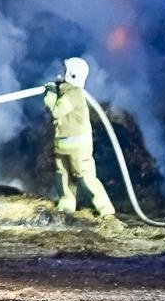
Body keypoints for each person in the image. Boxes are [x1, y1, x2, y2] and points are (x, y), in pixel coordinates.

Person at [43, 56, 115, 218]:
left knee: (86, 178)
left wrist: (51, 94)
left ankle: (106, 211)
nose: (61, 72)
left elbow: (57, 110)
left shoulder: (74, 94)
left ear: (71, 74)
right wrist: (56, 90)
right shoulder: (66, 91)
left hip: (79, 149)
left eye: (65, 70)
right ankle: (66, 207)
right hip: (63, 145)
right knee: (63, 176)